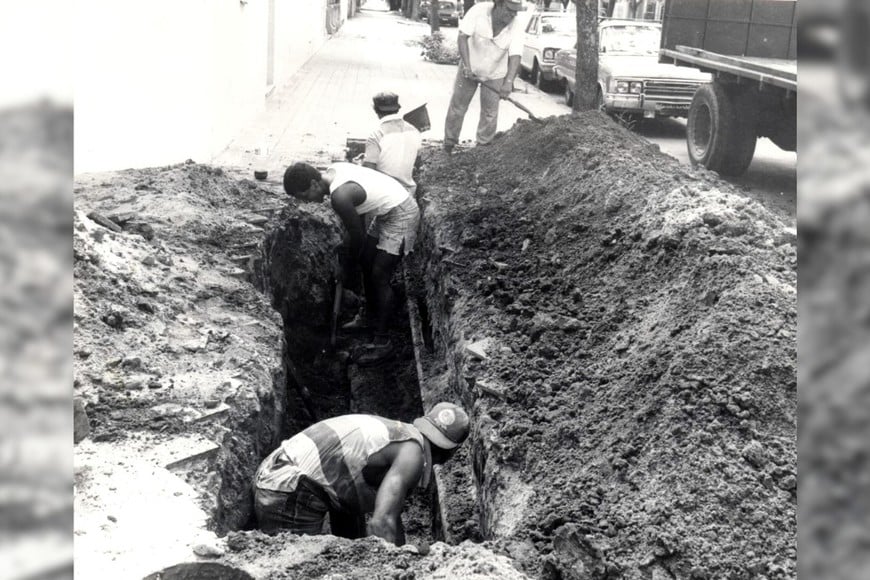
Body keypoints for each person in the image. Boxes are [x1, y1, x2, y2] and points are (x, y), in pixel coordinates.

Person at [253, 403, 470, 545]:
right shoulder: (414, 454)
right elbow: (382, 522)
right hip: (289, 489)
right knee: (299, 569)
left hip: (280, 475)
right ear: (452, 451)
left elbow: (388, 513)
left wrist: (401, 550)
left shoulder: (400, 436)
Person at [283, 161, 420, 364]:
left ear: (313, 184)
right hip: (386, 211)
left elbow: (358, 238)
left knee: (379, 275)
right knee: (366, 261)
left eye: (305, 196)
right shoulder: (332, 173)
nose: (307, 202)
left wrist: (345, 267)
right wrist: (345, 251)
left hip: (401, 214)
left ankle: (383, 342)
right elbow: (355, 228)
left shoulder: (339, 196)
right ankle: (369, 314)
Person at [443, 0, 526, 153]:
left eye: (516, 11)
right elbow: (462, 37)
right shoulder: (478, 11)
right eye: (509, 10)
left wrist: (508, 83)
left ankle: (482, 148)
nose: (513, 14)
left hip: (495, 73)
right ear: (499, 4)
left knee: (490, 113)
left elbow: (515, 56)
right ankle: (449, 143)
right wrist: (467, 66)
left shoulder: (516, 25)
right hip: (470, 68)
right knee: (458, 107)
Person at [364, 92, 422, 195]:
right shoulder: (414, 130)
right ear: (398, 108)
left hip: (384, 195)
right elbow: (415, 162)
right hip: (408, 194)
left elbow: (368, 173)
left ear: (375, 109)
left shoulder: (377, 134)